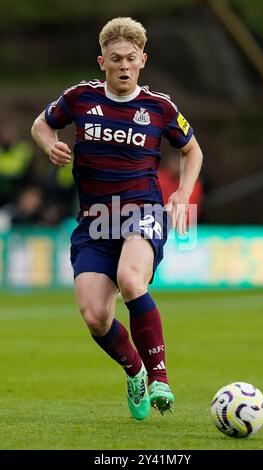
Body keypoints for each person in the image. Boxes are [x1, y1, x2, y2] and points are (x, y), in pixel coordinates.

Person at [31, 17, 203, 420]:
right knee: (94, 316)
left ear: (142, 60)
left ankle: (160, 377)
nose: (123, 66)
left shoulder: (160, 107)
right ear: (102, 62)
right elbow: (41, 125)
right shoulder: (79, 98)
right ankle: (136, 370)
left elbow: (192, 151)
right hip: (93, 222)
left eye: (130, 58)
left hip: (141, 210)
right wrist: (50, 144)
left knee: (130, 279)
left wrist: (180, 193)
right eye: (115, 59)